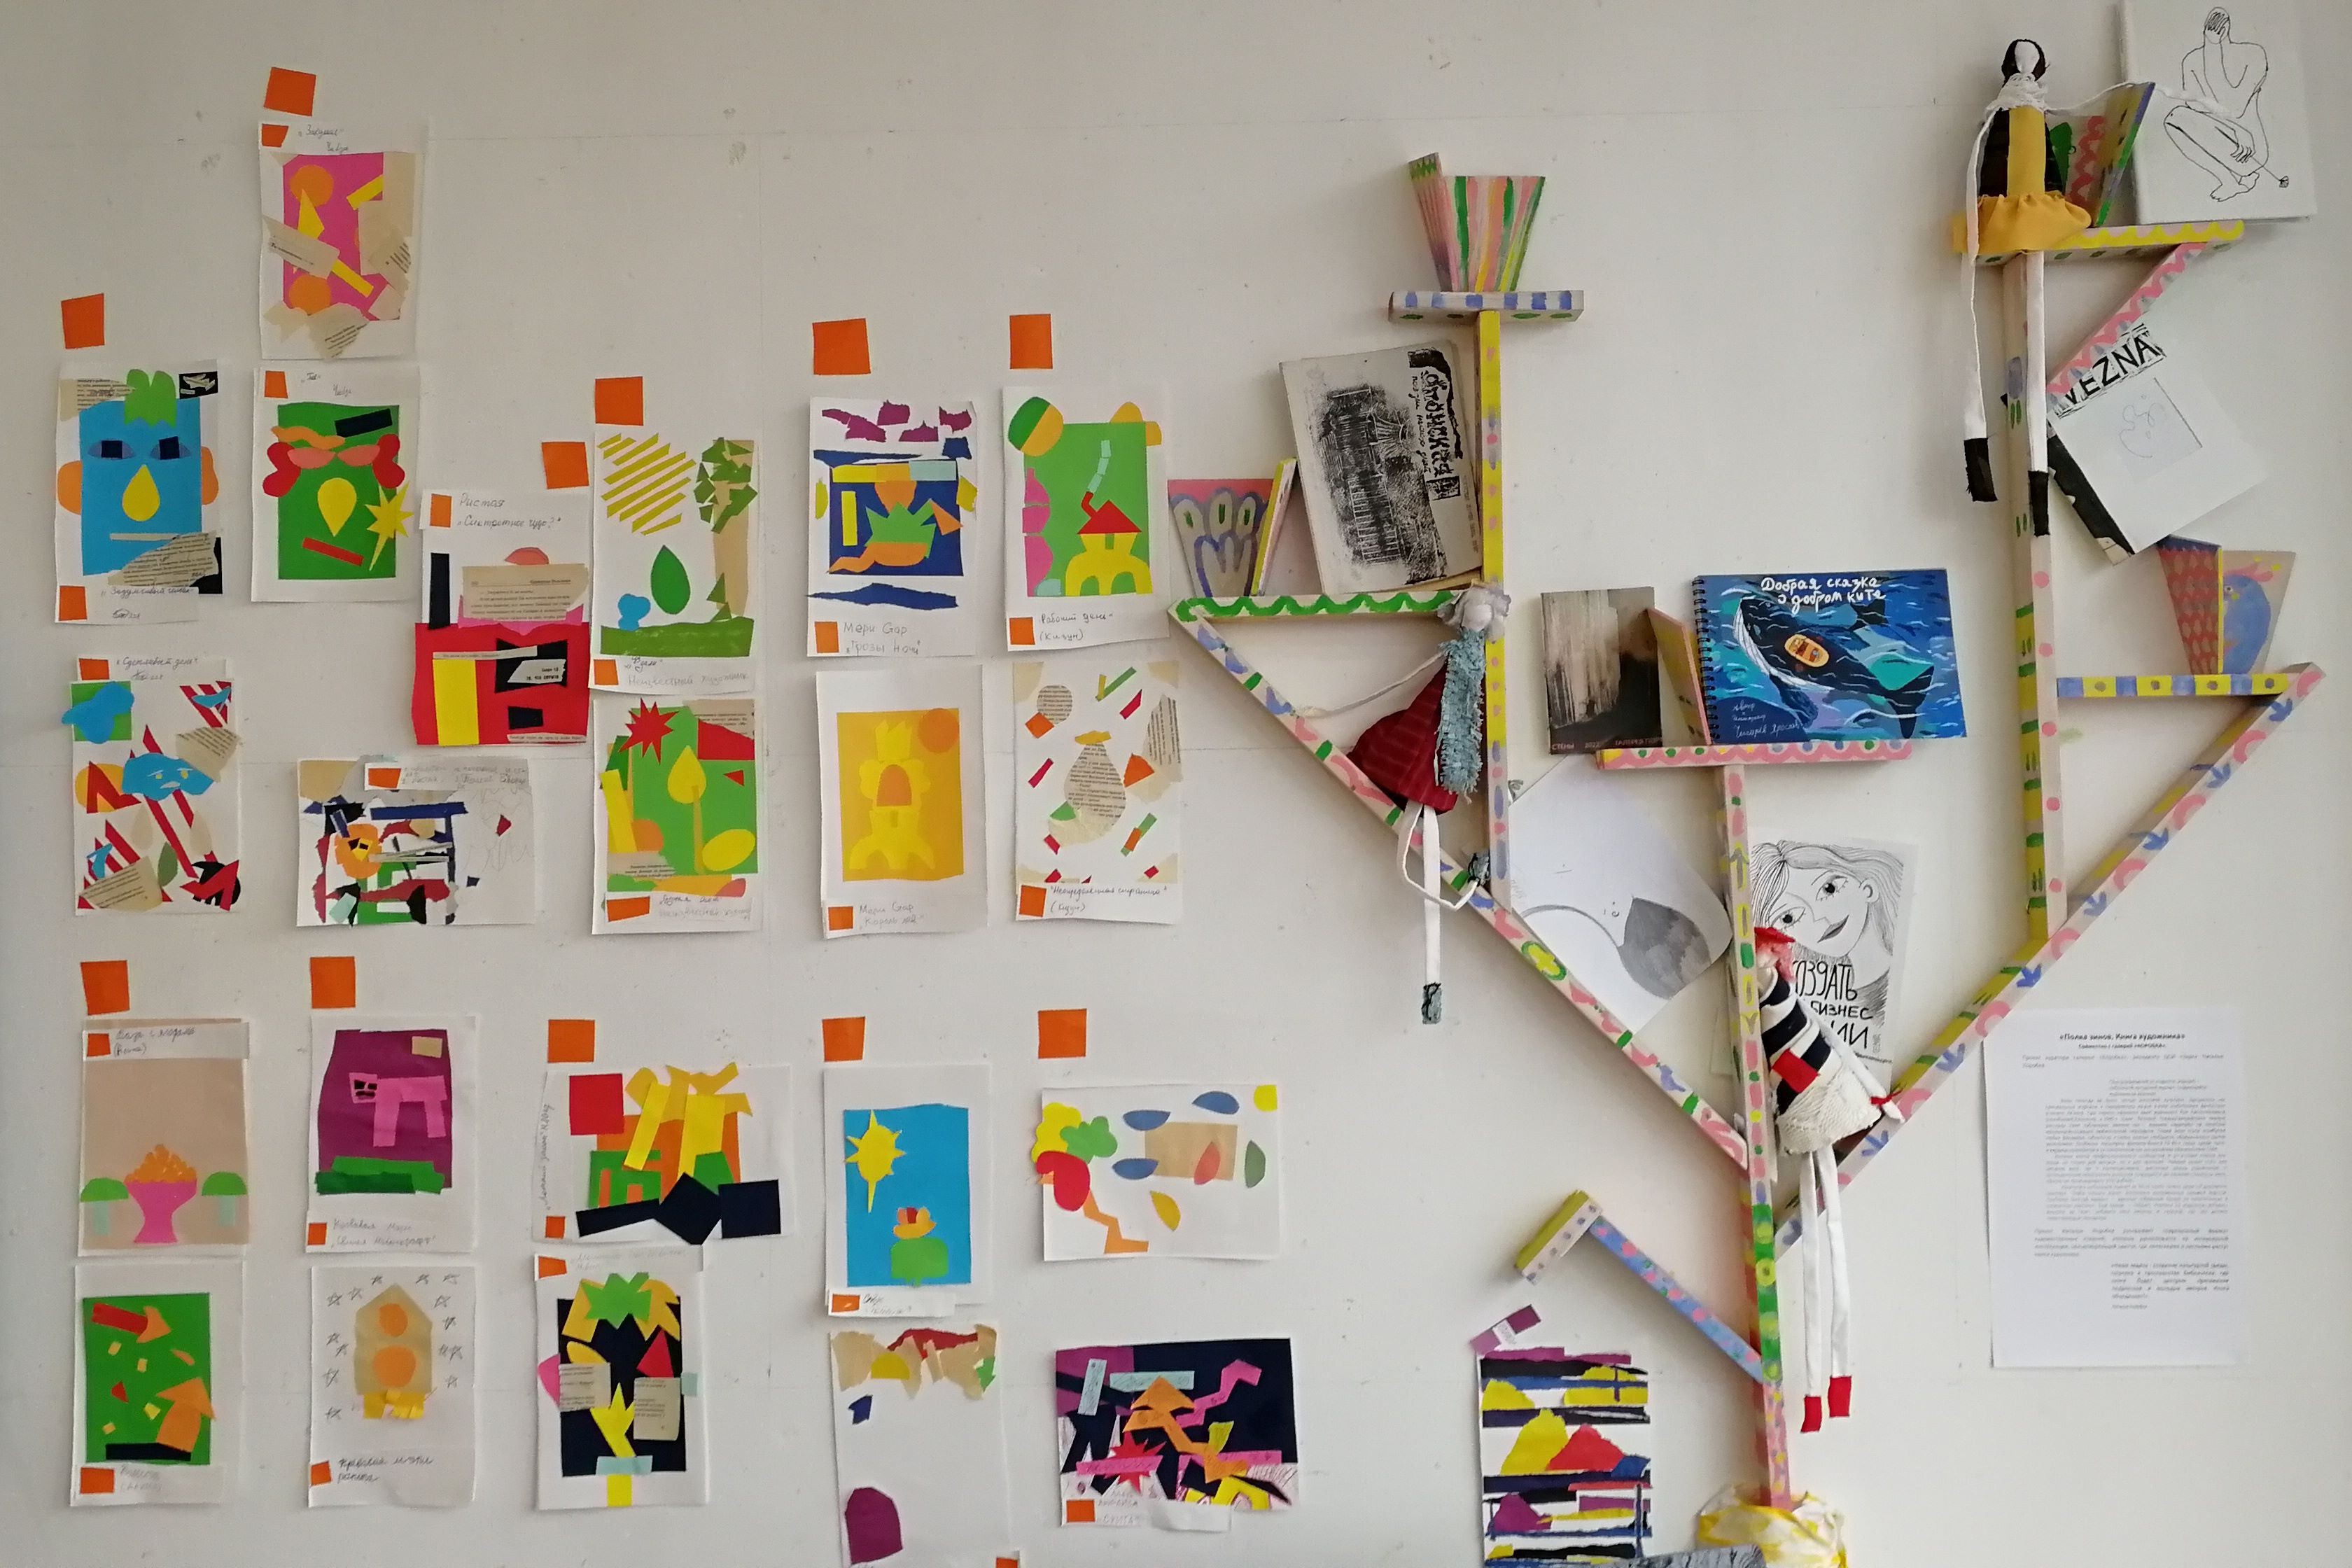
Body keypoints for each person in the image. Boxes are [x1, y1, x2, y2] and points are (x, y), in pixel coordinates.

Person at [1751, 841, 1904, 1026]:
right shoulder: (1787, 991)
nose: (1820, 918)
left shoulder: (1898, 988)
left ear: (1868, 889)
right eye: (1789, 918)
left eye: (1829, 889)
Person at [2164, 9, 2276, 200]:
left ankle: (2247, 175)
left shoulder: (2253, 54)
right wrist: (2234, 129)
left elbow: (2235, 108)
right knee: (2175, 117)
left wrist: (2213, 53)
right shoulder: (2192, 60)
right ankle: (2229, 181)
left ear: (2226, 29)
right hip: (2223, 135)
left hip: (2251, 149)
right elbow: (2195, 107)